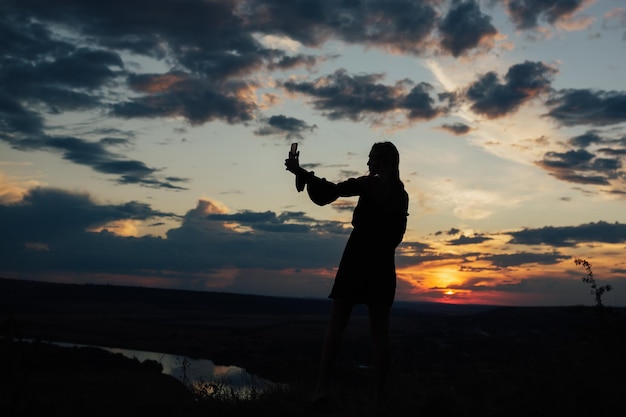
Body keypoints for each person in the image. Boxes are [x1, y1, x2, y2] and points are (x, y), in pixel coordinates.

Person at [285, 142, 409, 409]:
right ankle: (378, 399)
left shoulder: (368, 184)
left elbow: (331, 191)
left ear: (382, 162)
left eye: (372, 158)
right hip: (383, 264)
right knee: (380, 333)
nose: (368, 163)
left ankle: (321, 390)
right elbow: (397, 235)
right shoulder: (401, 194)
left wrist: (300, 171)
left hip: (357, 258)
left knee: (336, 326)